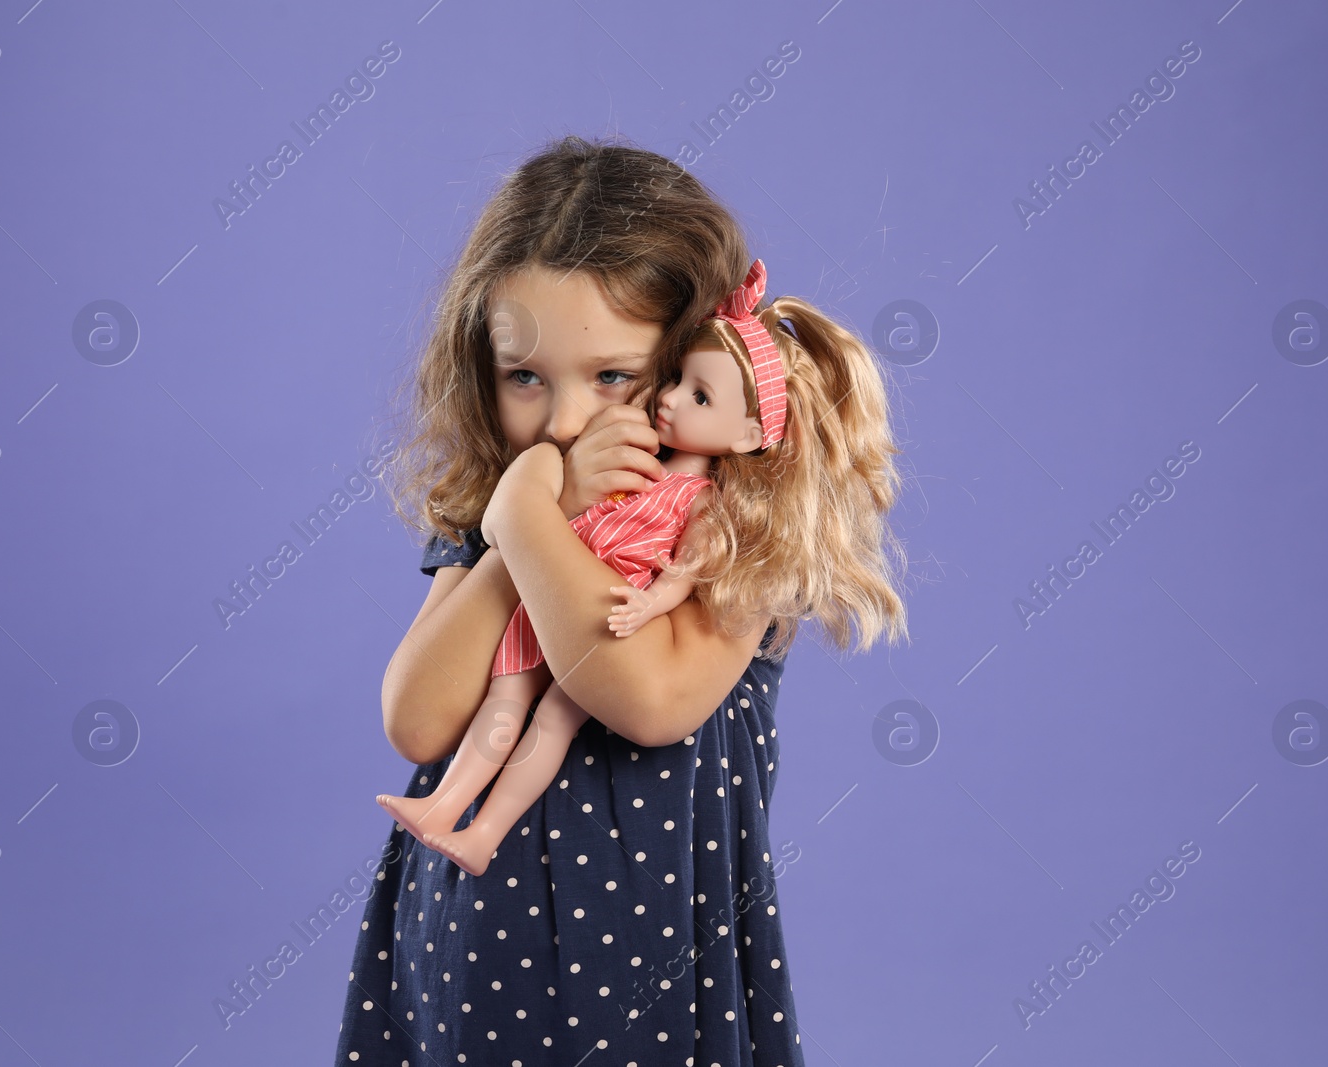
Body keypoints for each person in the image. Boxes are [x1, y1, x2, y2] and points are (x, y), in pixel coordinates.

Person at [334, 135, 906, 1066]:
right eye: (525, 377)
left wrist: (534, 521)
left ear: (696, 361)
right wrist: (526, 515)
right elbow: (418, 719)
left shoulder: (732, 530)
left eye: (611, 377)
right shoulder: (505, 504)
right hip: (479, 943)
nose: (562, 423)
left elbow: (647, 701)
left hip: (655, 951)